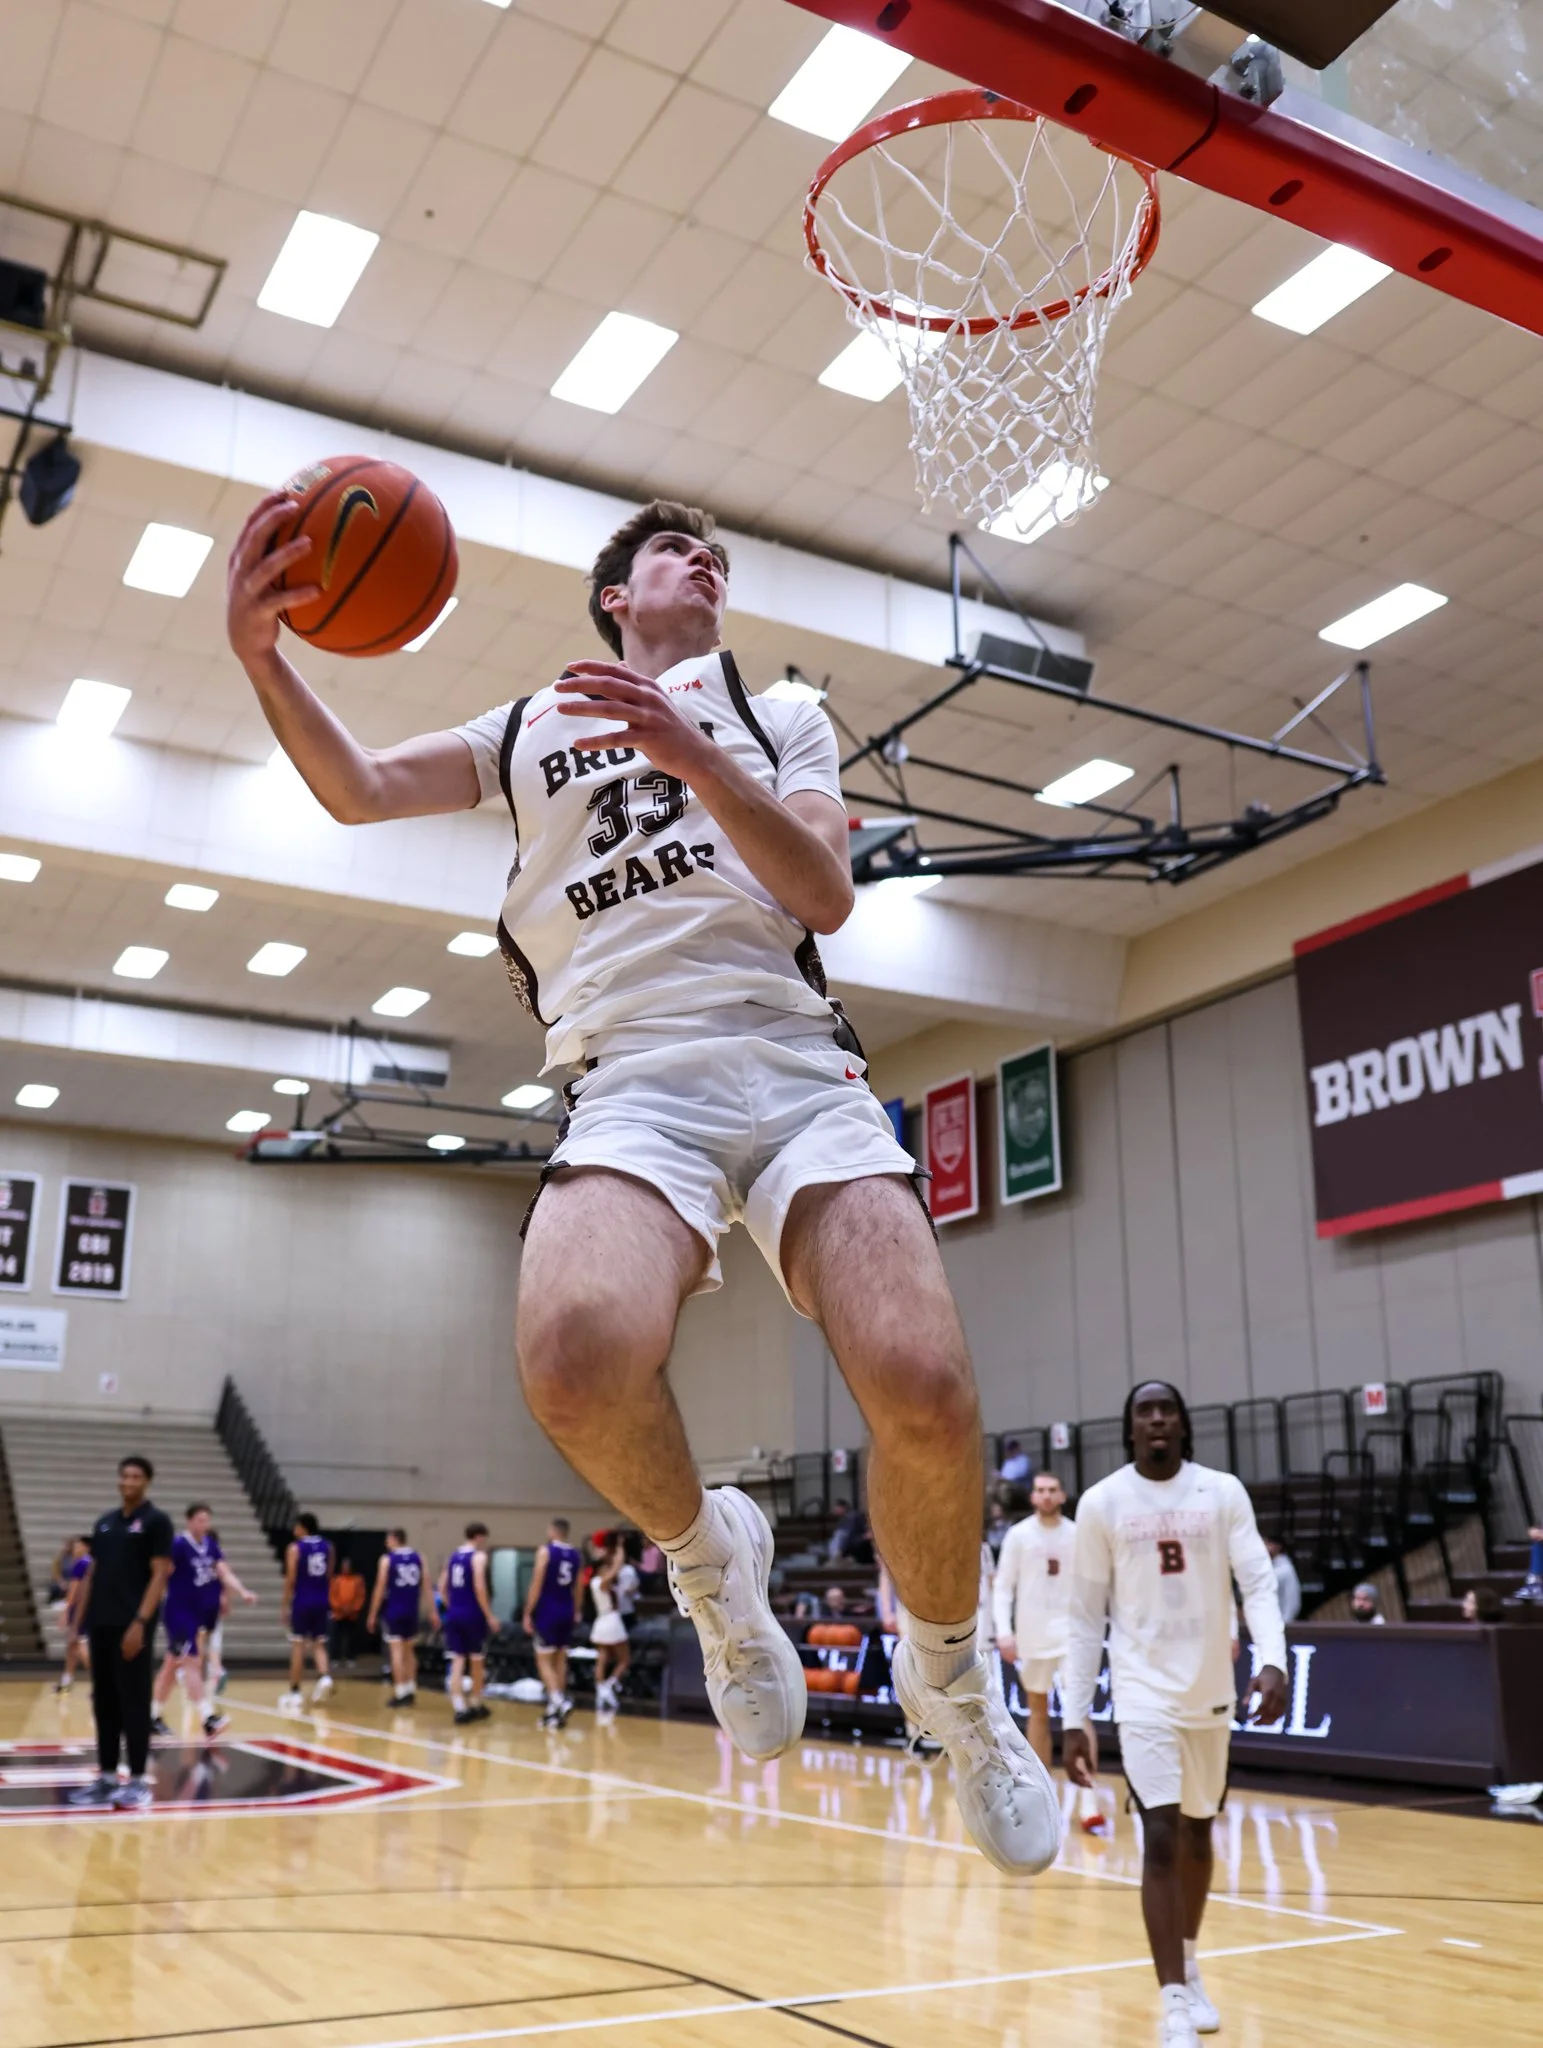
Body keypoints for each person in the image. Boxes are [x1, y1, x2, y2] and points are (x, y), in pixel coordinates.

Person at [225, 493, 1059, 1877]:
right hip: (628, 1074)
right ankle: (711, 1565)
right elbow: (360, 786)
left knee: (921, 1384)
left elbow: (822, 897)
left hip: (789, 1062)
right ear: (617, 595)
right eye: (676, 551)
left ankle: (952, 1688)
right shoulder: (528, 724)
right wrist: (265, 658)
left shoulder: (776, 705)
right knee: (570, 1355)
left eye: (716, 555)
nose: (705, 562)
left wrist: (695, 753)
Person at [1061, 1383, 1288, 2048]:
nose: (1156, 1418)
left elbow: (1257, 1584)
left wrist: (1271, 1660)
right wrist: (1078, 1716)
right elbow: (1082, 1618)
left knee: (1196, 1835)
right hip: (1140, 1694)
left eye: (1166, 1409)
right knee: (1158, 1836)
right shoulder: (1101, 1503)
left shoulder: (1221, 1493)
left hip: (1209, 1690)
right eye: (1143, 1409)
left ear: (1182, 1425)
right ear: (1129, 1428)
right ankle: (1171, 2003)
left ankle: (1188, 1965)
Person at [66, 1456, 174, 1811]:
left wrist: (140, 1624)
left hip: (132, 1627)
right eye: (125, 1475)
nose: (129, 1481)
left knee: (134, 1703)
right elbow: (93, 1575)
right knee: (105, 1702)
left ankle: (139, 1780)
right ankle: (108, 1777)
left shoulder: (157, 1522)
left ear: (147, 1482)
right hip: (101, 1623)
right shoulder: (105, 1523)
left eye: (136, 1476)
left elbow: (160, 1575)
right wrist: (77, 1624)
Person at [993, 1472, 1077, 1777]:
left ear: (1062, 1496)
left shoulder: (1077, 1533)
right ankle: (1043, 1788)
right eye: (1040, 1490)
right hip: (1032, 1635)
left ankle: (1089, 1798)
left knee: (1077, 1712)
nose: (1046, 1495)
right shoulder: (1018, 1535)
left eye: (1052, 1490)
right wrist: (1004, 1631)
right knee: (1038, 1709)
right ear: (1032, 1497)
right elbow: (1003, 1588)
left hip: (1071, 1634)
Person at [151, 1504, 256, 1740]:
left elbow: (224, 1572)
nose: (204, 1525)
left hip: (199, 1613)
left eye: (207, 1520)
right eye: (200, 1520)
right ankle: (208, 1718)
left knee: (171, 1665)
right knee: (191, 1662)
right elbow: (162, 1573)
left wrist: (242, 1591)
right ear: (189, 1522)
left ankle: (152, 1716)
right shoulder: (178, 1545)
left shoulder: (211, 1545)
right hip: (179, 1612)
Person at [524, 1517, 584, 1729]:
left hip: (548, 1610)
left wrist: (527, 1612)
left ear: (552, 1531)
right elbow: (579, 1587)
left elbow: (536, 1583)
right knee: (560, 1660)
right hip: (566, 1609)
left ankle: (559, 1700)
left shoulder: (546, 1551)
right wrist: (577, 1610)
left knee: (543, 1660)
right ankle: (554, 1710)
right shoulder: (576, 1554)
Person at [440, 1523, 498, 1727]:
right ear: (480, 1537)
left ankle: (459, 1707)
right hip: (473, 1614)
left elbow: (441, 1587)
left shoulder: (453, 1556)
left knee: (457, 1660)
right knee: (477, 1660)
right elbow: (480, 1587)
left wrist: (452, 1606)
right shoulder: (479, 1557)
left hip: (454, 1613)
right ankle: (475, 1702)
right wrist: (489, 1615)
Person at [279, 1512, 335, 1710]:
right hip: (321, 1600)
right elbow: (329, 1575)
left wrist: (285, 1604)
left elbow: (291, 1579)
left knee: (298, 1646)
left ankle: (295, 1692)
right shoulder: (328, 1547)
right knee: (319, 1643)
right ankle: (325, 1676)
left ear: (303, 1527)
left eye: (296, 1526)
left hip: (302, 1600)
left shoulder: (295, 1548)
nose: (294, 1530)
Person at [368, 1529, 425, 1707]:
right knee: (410, 1652)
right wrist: (432, 1611)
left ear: (394, 1539)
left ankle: (400, 1692)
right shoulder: (419, 1557)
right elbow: (427, 1584)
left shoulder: (387, 1560)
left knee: (396, 1653)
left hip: (394, 1610)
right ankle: (411, 1689)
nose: (386, 1543)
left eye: (388, 1540)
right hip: (412, 1610)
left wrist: (372, 1613)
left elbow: (379, 1587)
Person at [590, 1539, 632, 1713]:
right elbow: (616, 1567)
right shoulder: (601, 1582)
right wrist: (620, 1549)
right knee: (624, 1659)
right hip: (611, 1621)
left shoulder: (594, 1582)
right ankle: (609, 1685)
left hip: (601, 1621)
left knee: (603, 1657)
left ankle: (601, 1690)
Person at [56, 1536, 92, 1692]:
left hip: (78, 1609)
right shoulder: (92, 1562)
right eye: (74, 1547)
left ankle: (101, 1682)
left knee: (79, 1645)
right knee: (72, 1645)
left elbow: (74, 1590)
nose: (75, 1550)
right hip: (90, 1608)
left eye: (78, 1546)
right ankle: (66, 1681)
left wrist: (66, 1610)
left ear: (87, 1547)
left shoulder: (81, 1563)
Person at [329, 1556, 367, 1669]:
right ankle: (335, 1658)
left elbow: (361, 1596)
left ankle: (351, 1658)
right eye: (344, 1565)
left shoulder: (358, 1580)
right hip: (338, 1614)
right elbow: (332, 1596)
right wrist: (339, 1607)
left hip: (352, 1614)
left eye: (347, 1565)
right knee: (336, 1637)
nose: (345, 1568)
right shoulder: (336, 1580)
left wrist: (353, 1608)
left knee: (352, 1637)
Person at [1265, 1536, 1302, 1624]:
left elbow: (1292, 1597)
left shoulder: (1284, 1569)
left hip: (1282, 1620)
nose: (1264, 1547)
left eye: (1267, 1544)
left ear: (1277, 1546)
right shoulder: (1273, 1566)